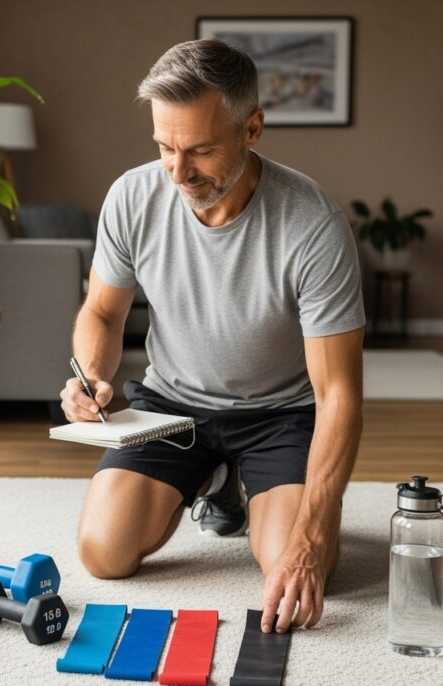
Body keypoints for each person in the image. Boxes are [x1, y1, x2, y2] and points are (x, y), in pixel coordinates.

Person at [59, 39, 365, 635]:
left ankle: (262, 491)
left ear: (252, 128)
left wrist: (311, 535)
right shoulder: (132, 196)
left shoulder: (313, 225)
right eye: (165, 147)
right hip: (171, 407)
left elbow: (340, 397)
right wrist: (89, 376)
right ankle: (218, 482)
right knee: (104, 555)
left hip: (280, 413)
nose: (178, 172)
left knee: (298, 566)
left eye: (199, 149)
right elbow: (101, 310)